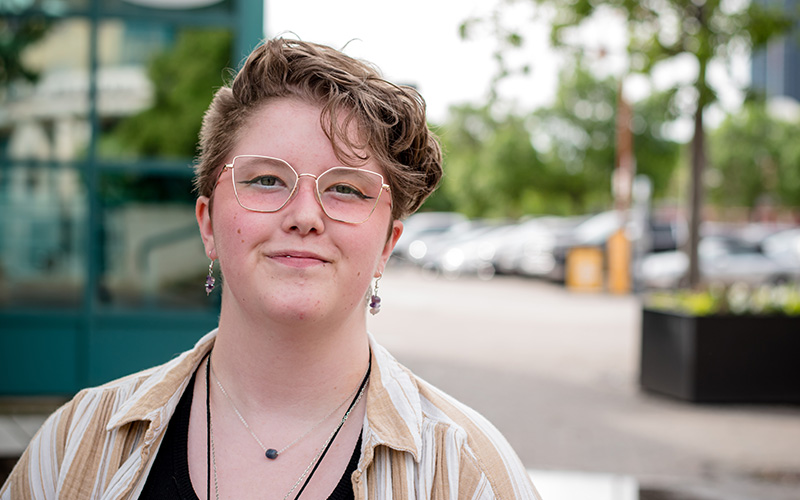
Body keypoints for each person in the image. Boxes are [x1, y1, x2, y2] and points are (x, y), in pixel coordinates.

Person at [1, 38, 541, 499]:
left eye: (346, 189)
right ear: (208, 222)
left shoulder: (467, 471)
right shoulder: (75, 445)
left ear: (386, 245)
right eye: (265, 181)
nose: (305, 216)